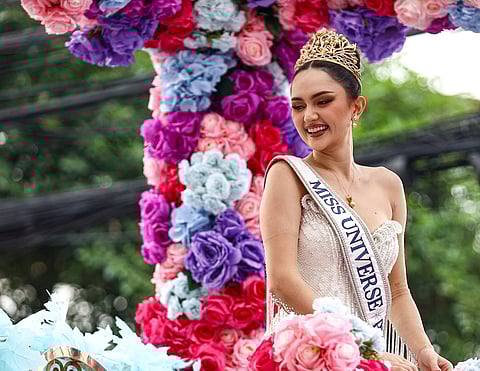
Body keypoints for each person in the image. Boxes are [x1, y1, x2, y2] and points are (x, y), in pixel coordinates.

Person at [260, 29, 453, 371]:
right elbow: (282, 282)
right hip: (308, 356)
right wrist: (367, 349)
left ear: (356, 106)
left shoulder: (388, 185)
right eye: (299, 106)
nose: (309, 117)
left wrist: (423, 352)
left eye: (323, 101)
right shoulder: (287, 176)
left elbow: (397, 292)